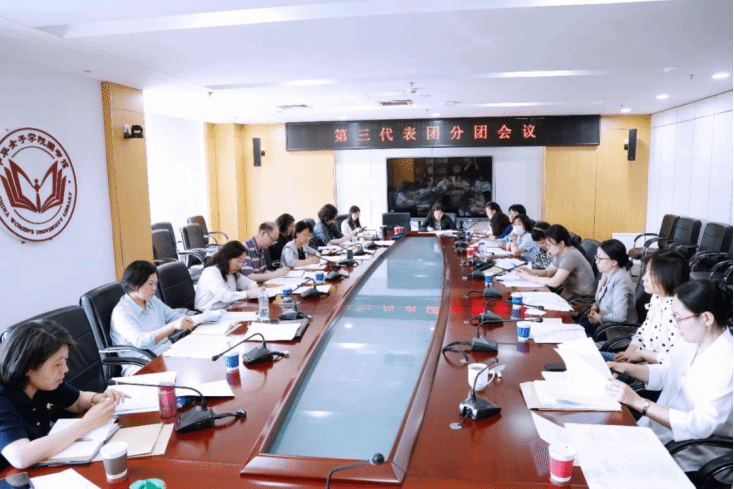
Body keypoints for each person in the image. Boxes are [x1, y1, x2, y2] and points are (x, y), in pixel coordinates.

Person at [606, 280, 733, 478]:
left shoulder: (726, 362)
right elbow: (668, 372)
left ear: (706, 318)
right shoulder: (691, 340)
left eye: (678, 317)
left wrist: (639, 402)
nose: (674, 323)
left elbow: (701, 425)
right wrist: (627, 368)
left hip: (690, 454)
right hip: (659, 433)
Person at [0, 320, 128, 469]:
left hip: (41, 463)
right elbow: (20, 457)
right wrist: (87, 423)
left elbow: (77, 401)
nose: (65, 369)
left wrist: (97, 398)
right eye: (57, 364)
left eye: (65, 361)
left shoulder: (42, 382)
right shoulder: (3, 397)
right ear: (27, 367)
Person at [111, 261, 196, 373]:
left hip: (166, 354)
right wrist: (172, 326)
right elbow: (140, 341)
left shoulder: (152, 301)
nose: (154, 288)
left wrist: (198, 318)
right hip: (142, 365)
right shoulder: (122, 313)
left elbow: (174, 316)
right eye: (150, 284)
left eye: (155, 284)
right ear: (134, 285)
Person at [611, 250, 690, 365]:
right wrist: (627, 355)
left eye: (650, 273)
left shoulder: (676, 311)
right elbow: (642, 332)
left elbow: (674, 359)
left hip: (652, 370)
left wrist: (640, 356)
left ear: (668, 277)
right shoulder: (657, 297)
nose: (644, 278)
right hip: (638, 362)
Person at [516, 224, 596, 298]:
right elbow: (548, 272)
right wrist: (528, 271)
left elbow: (554, 282)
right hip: (569, 293)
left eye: (549, 245)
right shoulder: (560, 252)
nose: (547, 247)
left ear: (561, 243)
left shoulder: (570, 255)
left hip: (581, 299)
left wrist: (529, 277)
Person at [584, 239, 637, 336]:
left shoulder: (621, 281)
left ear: (614, 262)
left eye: (600, 258)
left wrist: (599, 318)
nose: (596, 261)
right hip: (603, 326)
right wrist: (595, 307)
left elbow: (619, 317)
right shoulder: (606, 272)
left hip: (616, 333)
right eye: (597, 257)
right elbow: (602, 298)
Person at [195, 241, 264, 310]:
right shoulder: (211, 272)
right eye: (239, 261)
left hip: (224, 310)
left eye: (242, 262)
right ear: (228, 258)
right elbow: (224, 296)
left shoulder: (232, 273)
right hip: (206, 313)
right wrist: (248, 293)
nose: (240, 266)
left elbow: (248, 283)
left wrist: (255, 288)